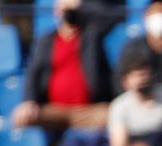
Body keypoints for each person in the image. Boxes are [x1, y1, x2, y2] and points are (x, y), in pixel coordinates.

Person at [12, 0, 123, 132]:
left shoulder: (92, 35)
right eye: (64, 10)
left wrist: (81, 5)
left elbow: (117, 14)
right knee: (21, 117)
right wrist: (29, 100)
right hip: (54, 110)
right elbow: (33, 72)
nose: (68, 14)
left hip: (88, 111)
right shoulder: (46, 40)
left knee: (117, 116)